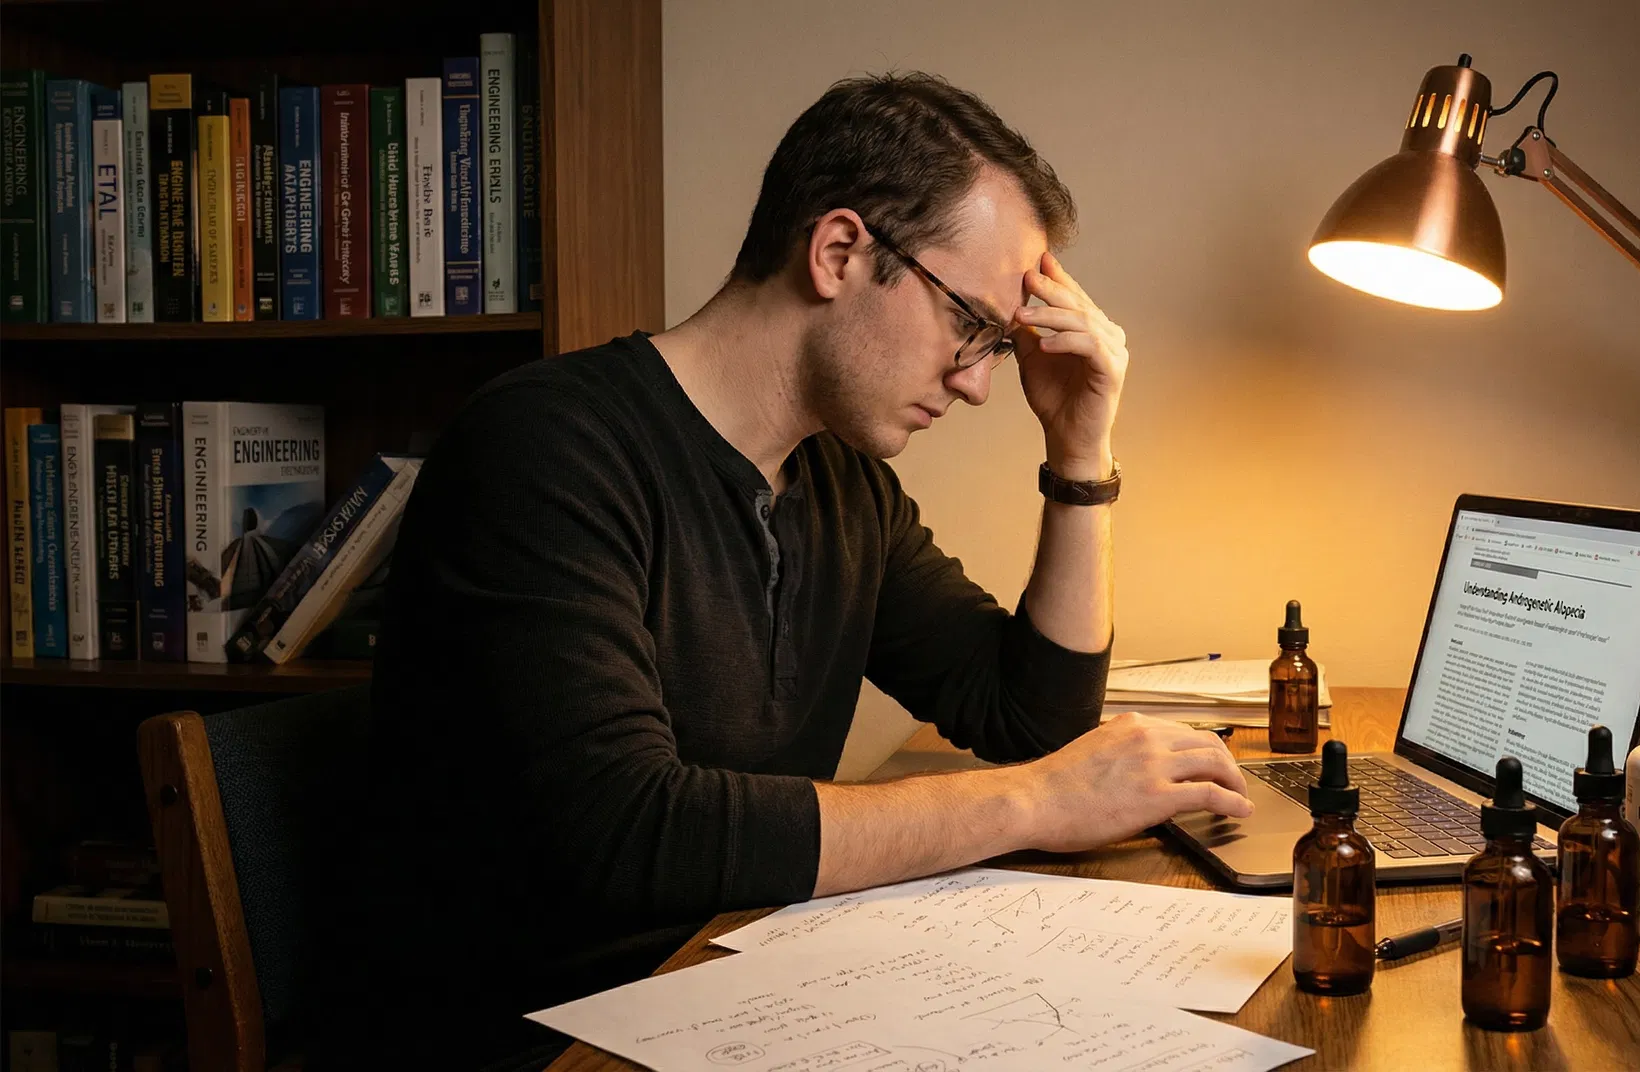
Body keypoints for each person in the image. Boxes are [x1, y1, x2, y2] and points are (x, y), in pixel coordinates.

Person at [332, 71, 1253, 1070]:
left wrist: (1080, 452)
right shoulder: (545, 446)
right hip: (543, 1039)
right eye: (971, 325)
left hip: (736, 995)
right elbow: (626, 828)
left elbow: (1030, 715)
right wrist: (1036, 801)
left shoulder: (842, 485)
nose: (982, 382)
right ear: (841, 251)